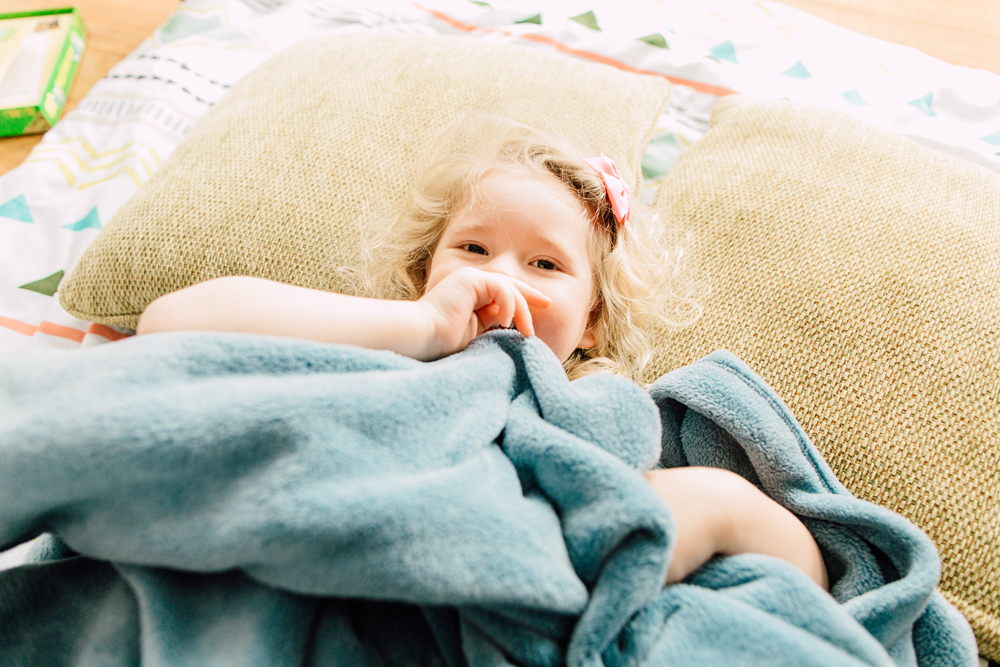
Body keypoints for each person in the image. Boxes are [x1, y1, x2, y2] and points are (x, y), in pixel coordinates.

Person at [137, 118, 829, 591]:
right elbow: (171, 325)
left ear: (591, 321)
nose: (503, 276)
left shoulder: (611, 418)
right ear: (424, 272)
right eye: (473, 248)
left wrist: (717, 508)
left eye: (545, 263)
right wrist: (417, 327)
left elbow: (814, 582)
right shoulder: (382, 345)